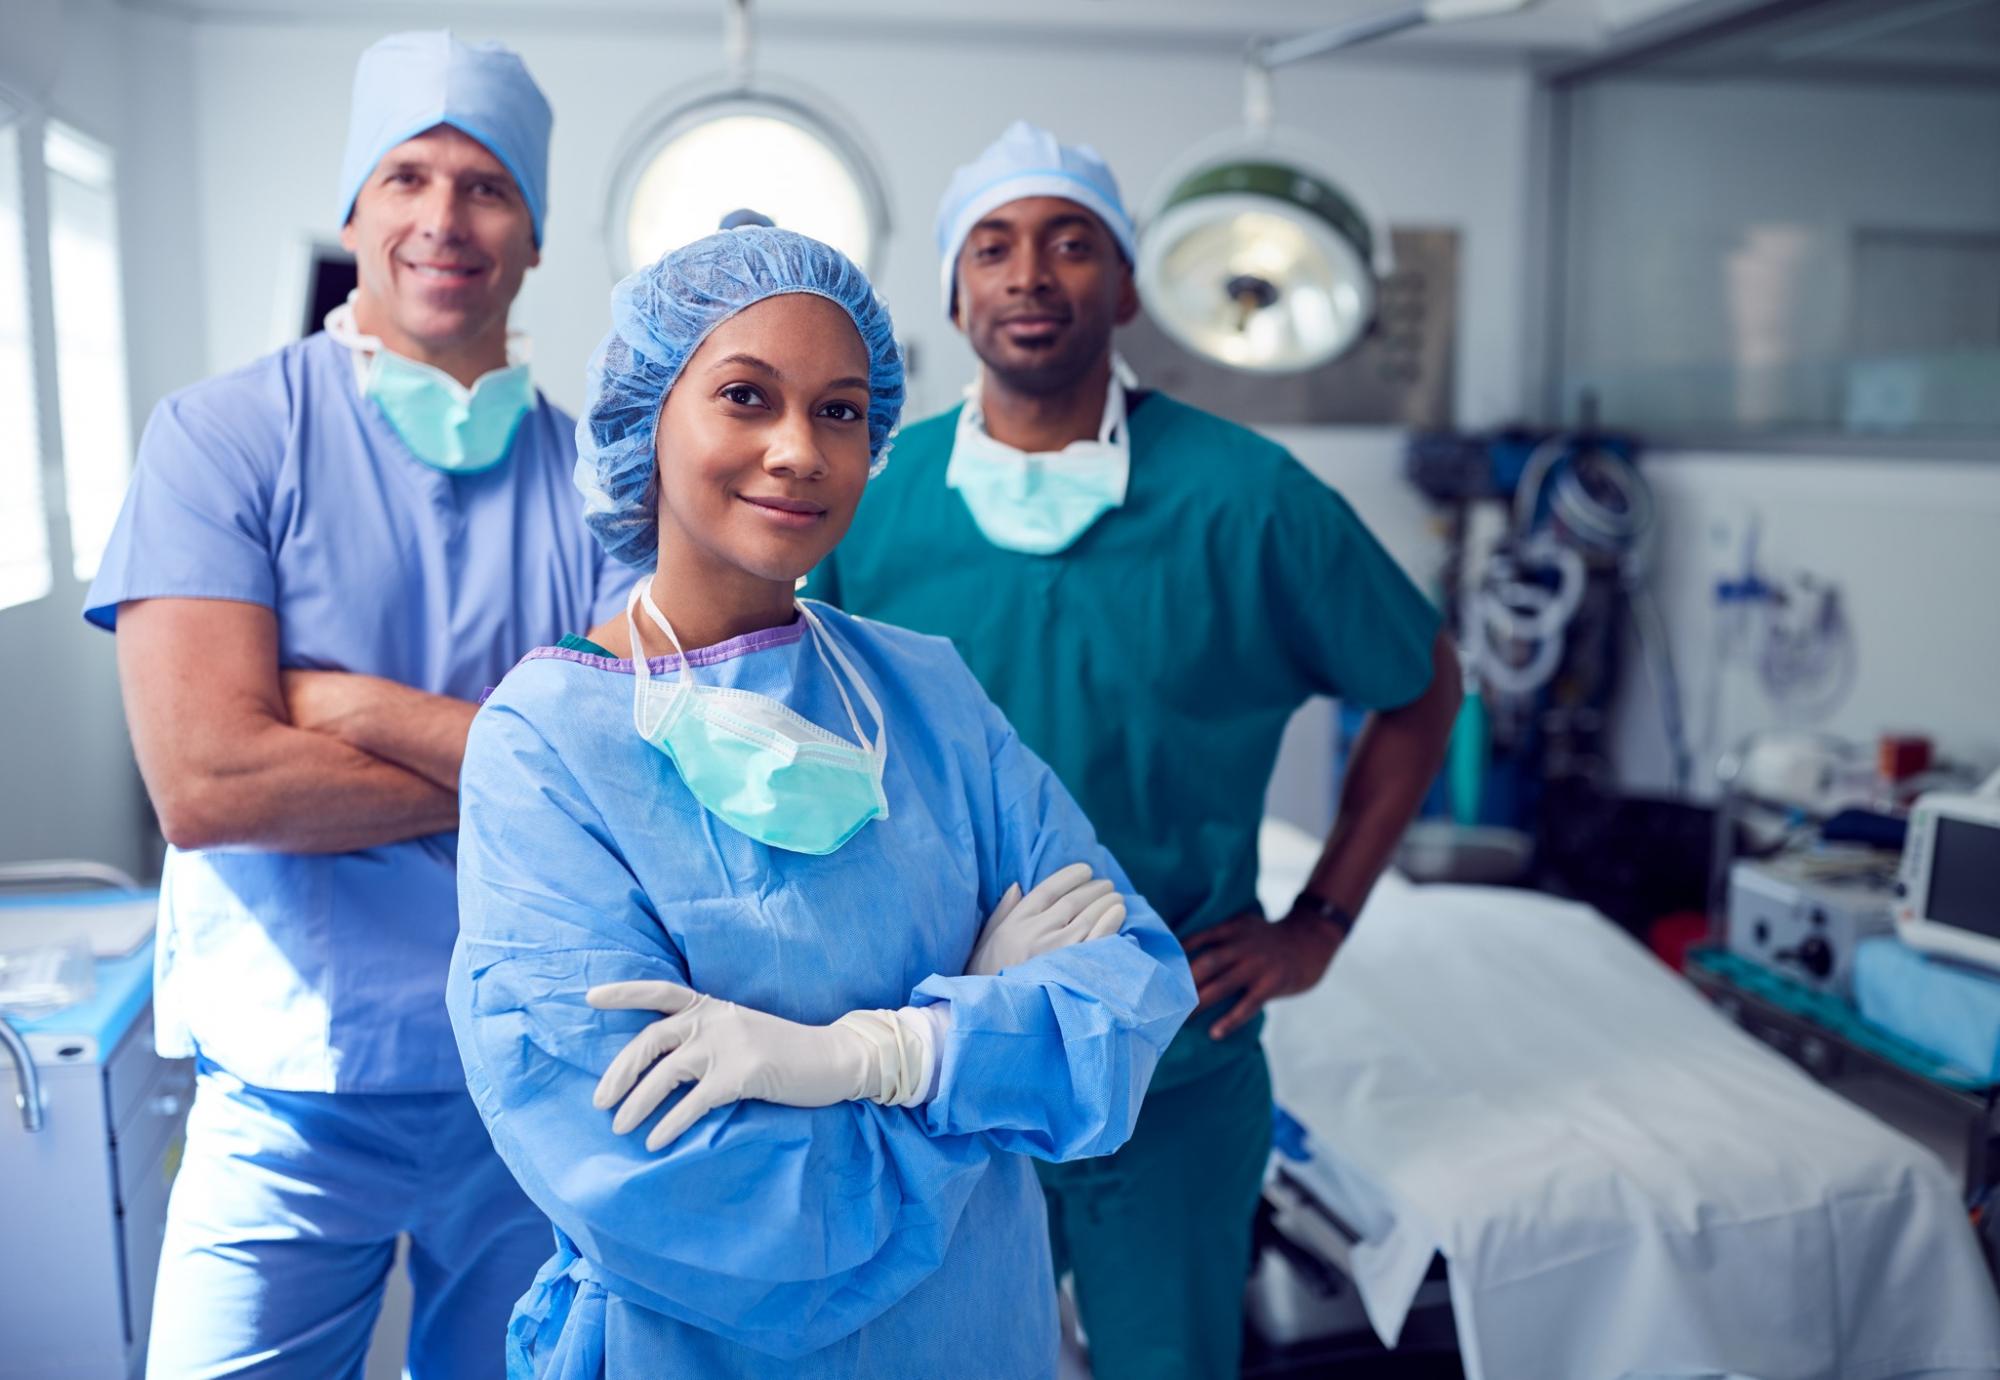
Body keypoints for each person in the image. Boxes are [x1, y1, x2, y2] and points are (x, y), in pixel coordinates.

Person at [444, 223, 1196, 1379]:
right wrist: (972, 1055)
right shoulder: (546, 748)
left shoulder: (926, 695)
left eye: (841, 410)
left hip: (978, 1336)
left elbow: (1131, 990)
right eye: (745, 397)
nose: (798, 449)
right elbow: (665, 1188)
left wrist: (872, 1056)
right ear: (647, 421)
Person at [800, 121, 1464, 1380]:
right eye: (992, 247)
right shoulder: (870, 499)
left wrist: (1319, 917)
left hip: (1171, 1062)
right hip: (944, 1056)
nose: (1030, 276)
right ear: (953, 290)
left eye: (1070, 244)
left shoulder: (1248, 500)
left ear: (1126, 284)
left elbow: (1422, 684)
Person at [83, 32, 627, 1377]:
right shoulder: (223, 440)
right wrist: (523, 763)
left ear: (537, 232)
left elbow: (630, 780)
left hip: (533, 1071)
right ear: (356, 208)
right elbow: (208, 786)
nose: (444, 219)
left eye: (488, 186)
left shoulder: (603, 488)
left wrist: (341, 707)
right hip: (289, 1080)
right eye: (407, 177)